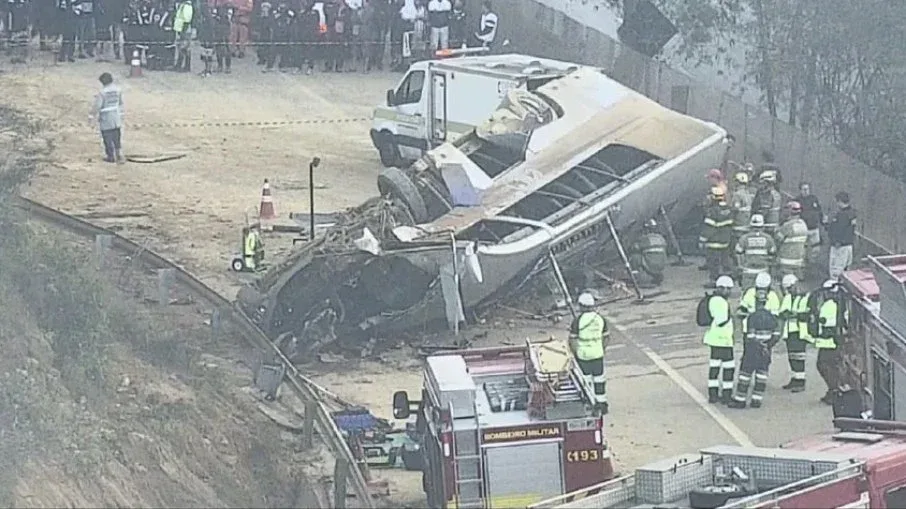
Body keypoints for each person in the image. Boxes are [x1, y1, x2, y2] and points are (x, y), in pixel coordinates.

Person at [728, 293, 779, 409]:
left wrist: (759, 346)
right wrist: (767, 346)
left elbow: (750, 337)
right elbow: (776, 335)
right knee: (761, 376)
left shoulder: (753, 317)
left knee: (745, 376)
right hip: (766, 353)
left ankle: (740, 400)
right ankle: (757, 400)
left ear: (756, 302)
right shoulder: (771, 317)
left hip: (752, 352)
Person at [569, 292, 609, 414]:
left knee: (586, 381)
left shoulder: (578, 321)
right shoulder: (600, 319)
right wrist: (601, 348)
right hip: (598, 354)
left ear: (581, 306)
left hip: (583, 355)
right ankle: (602, 404)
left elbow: (572, 340)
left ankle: (589, 403)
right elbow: (606, 337)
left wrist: (574, 353)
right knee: (599, 380)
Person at [703, 275, 735, 404]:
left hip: (715, 339)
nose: (729, 292)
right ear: (722, 288)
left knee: (714, 367)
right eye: (727, 289)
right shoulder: (720, 302)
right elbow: (721, 321)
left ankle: (713, 394)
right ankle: (726, 395)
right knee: (728, 368)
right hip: (723, 340)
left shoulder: (713, 299)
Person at [813, 279, 845, 405]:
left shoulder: (830, 305)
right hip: (832, 341)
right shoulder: (838, 303)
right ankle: (833, 390)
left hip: (830, 342)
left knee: (824, 365)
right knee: (830, 367)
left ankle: (834, 391)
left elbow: (826, 323)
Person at [778, 274, 811, 392]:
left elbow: (806, 314)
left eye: (790, 287)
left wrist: (794, 314)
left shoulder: (805, 297)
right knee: (792, 356)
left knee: (799, 357)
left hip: (801, 331)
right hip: (789, 331)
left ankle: (801, 381)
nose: (789, 290)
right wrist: (790, 314)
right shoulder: (788, 298)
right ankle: (795, 378)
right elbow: (782, 313)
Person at [699, 185, 734, 283]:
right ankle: (728, 278)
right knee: (725, 261)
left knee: (713, 263)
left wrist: (702, 240)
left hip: (714, 243)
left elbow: (709, 228)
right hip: (725, 241)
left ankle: (714, 281)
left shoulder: (712, 211)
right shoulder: (728, 209)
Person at [90, 72, 125, 164]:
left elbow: (98, 106)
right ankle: (119, 154)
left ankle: (110, 156)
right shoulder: (118, 89)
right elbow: (120, 103)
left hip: (106, 117)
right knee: (117, 135)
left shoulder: (102, 92)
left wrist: (92, 115)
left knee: (107, 137)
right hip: (116, 116)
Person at [735, 214, 776, 290]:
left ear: (750, 226)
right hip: (763, 270)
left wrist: (741, 267)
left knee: (747, 293)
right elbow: (772, 255)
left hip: (748, 270)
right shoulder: (768, 238)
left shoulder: (744, 238)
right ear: (763, 227)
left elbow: (738, 253)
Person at [774, 201, 809, 281]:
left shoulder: (787, 226)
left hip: (786, 261)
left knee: (786, 283)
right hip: (799, 261)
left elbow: (777, 240)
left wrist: (777, 229)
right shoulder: (803, 224)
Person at [629, 218, 668, 288]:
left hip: (651, 264)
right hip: (661, 264)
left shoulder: (645, 238)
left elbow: (634, 248)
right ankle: (657, 275)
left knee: (635, 257)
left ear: (646, 229)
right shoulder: (661, 238)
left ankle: (635, 278)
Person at [826, 191, 856, 280]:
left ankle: (835, 289)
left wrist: (835, 240)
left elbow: (838, 230)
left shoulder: (842, 215)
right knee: (846, 270)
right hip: (849, 245)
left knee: (836, 270)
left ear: (839, 201)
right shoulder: (852, 213)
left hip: (839, 247)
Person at [795, 182, 823, 272]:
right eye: (804, 189)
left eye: (807, 189)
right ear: (800, 190)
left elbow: (819, 211)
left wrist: (822, 221)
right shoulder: (797, 201)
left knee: (816, 249)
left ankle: (812, 265)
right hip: (804, 229)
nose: (806, 191)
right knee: (803, 249)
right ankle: (802, 267)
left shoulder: (813, 199)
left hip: (814, 228)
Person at [730, 171, 754, 243]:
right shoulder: (748, 194)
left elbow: (735, 209)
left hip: (738, 227)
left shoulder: (737, 195)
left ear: (738, 182)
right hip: (747, 225)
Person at [172, 0, 192, 72]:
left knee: (185, 48)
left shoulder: (187, 6)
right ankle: (179, 64)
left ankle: (186, 66)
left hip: (184, 30)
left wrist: (183, 31)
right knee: (180, 48)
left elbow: (187, 20)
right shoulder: (182, 5)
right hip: (180, 29)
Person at [212, 5, 231, 72]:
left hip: (225, 28)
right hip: (217, 28)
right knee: (218, 47)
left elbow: (229, 18)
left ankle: (228, 67)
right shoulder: (216, 4)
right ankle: (220, 66)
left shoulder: (228, 5)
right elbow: (213, 16)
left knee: (227, 48)